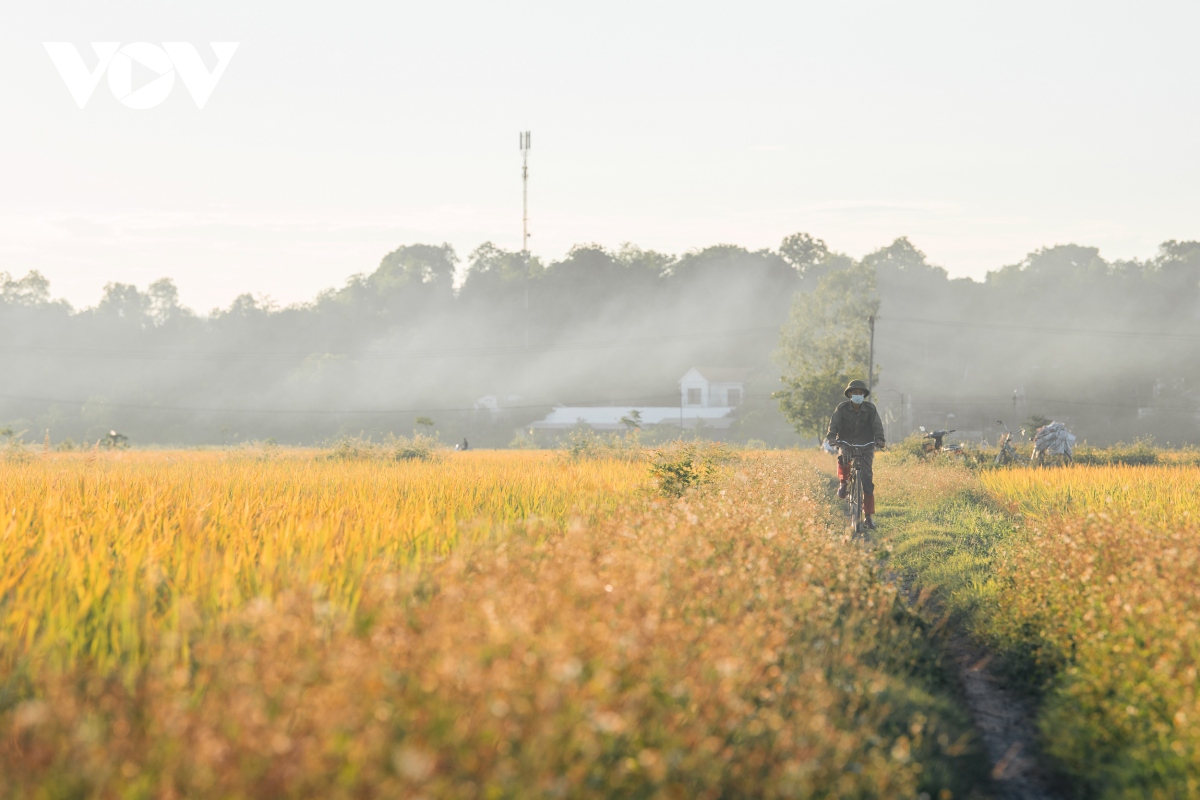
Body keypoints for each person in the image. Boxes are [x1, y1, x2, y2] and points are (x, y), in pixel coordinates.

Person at [826, 379, 885, 530]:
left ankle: (868, 517)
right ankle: (843, 483)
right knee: (843, 458)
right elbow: (834, 424)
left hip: (866, 445)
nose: (858, 395)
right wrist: (832, 437)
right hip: (846, 442)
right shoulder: (842, 408)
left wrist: (879, 440)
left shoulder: (870, 409)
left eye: (860, 393)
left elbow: (877, 426)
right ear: (850, 394)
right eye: (855, 392)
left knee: (867, 482)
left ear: (864, 395)